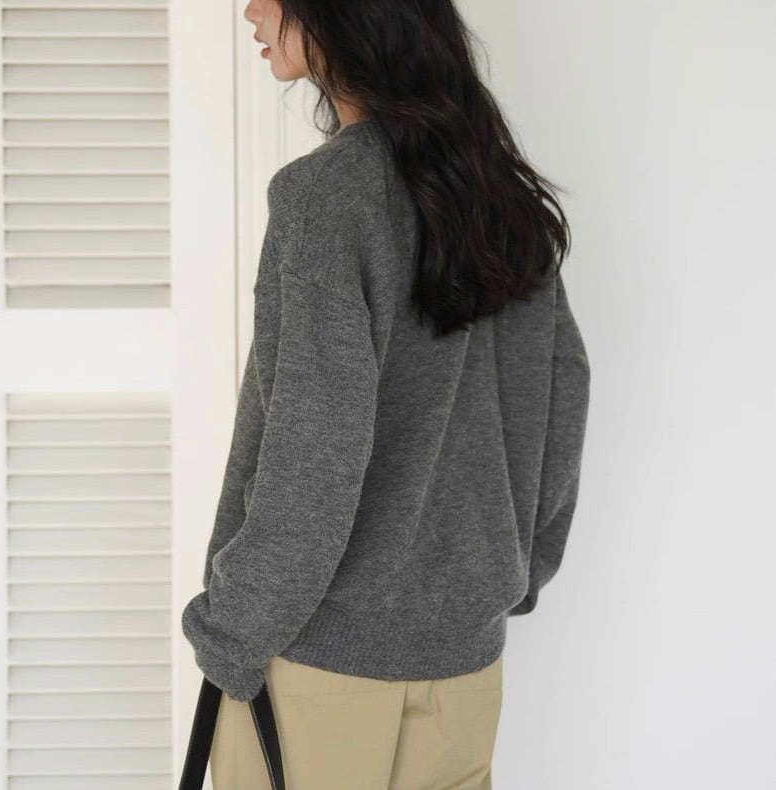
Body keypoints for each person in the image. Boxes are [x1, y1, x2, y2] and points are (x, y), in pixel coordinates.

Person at [181, 0, 591, 787]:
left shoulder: (326, 200)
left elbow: (315, 454)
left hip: (318, 673)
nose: (250, 11)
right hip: (465, 672)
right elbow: (561, 394)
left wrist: (233, 630)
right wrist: (512, 572)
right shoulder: (500, 199)